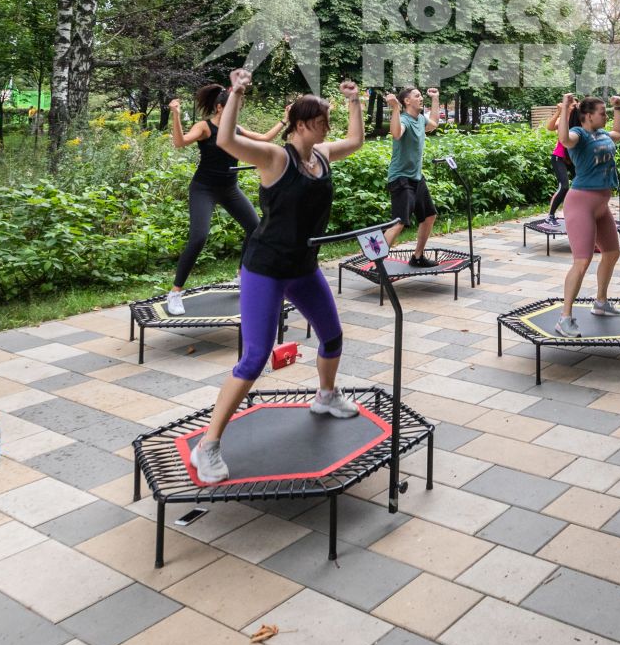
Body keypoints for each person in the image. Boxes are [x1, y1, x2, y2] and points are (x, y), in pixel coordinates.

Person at [189, 72, 367, 486]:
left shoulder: (320, 155)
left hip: (303, 268)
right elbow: (226, 140)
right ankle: (208, 446)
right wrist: (236, 93)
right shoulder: (275, 158)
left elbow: (356, 141)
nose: (328, 125)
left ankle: (325, 396)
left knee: (333, 336)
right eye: (323, 119)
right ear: (303, 123)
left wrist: (355, 101)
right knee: (255, 357)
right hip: (264, 270)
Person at [164, 85, 278, 315]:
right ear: (219, 107)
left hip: (229, 189)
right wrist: (175, 114)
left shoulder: (235, 128)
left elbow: (264, 138)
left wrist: (285, 120)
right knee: (199, 237)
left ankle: (241, 277)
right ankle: (175, 292)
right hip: (203, 189)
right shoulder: (204, 127)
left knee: (255, 227)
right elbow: (179, 142)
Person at [555, 92, 620, 337]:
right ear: (587, 116)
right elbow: (564, 139)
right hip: (581, 204)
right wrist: (565, 107)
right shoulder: (580, 134)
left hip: (601, 205)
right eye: (603, 113)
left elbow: (619, 134)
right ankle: (564, 318)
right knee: (582, 261)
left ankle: (601, 302)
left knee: (612, 253)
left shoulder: (602, 134)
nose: (605, 116)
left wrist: (618, 109)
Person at [382, 85, 443, 266]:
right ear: (407, 101)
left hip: (416, 177)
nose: (420, 98)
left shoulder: (420, 120)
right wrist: (394, 108)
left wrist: (435, 99)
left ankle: (417, 257)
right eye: (417, 96)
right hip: (400, 178)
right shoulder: (405, 120)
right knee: (398, 222)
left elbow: (434, 124)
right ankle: (376, 261)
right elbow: (396, 133)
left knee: (429, 216)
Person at [544, 96, 574, 224]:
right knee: (564, 186)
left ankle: (574, 212)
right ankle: (550, 216)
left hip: (573, 159)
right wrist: (558, 111)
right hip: (559, 157)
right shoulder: (563, 120)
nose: (574, 107)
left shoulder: (580, 121)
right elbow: (550, 127)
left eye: (576, 106)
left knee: (582, 185)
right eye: (572, 105)